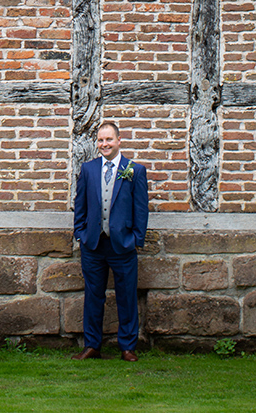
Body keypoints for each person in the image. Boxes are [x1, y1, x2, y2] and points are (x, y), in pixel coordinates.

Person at [72, 121, 149, 361]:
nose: (104, 144)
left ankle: (127, 347)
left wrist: (136, 238)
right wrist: (80, 233)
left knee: (126, 296)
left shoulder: (134, 170)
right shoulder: (88, 169)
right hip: (93, 244)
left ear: (118, 140)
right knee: (93, 295)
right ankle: (92, 345)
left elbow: (141, 208)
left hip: (123, 244)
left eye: (108, 139)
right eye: (100, 140)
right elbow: (80, 205)